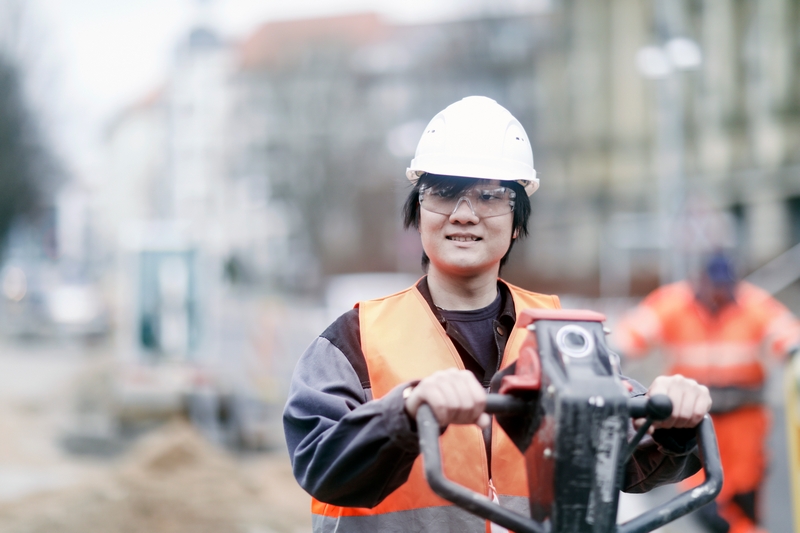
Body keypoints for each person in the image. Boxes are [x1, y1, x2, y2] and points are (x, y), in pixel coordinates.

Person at [284, 96, 712, 533]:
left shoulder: (564, 339)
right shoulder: (354, 342)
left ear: (517, 217)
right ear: (418, 208)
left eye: (489, 196)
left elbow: (627, 461)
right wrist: (407, 411)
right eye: (443, 194)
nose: (464, 215)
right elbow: (321, 465)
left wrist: (671, 424)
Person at [613, 252, 800, 533]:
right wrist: (610, 358)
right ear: (701, 281)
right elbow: (631, 333)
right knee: (703, 499)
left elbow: (787, 334)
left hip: (744, 419)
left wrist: (793, 353)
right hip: (694, 418)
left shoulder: (753, 303)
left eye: (725, 287)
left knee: (744, 496)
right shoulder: (674, 303)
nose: (719, 293)